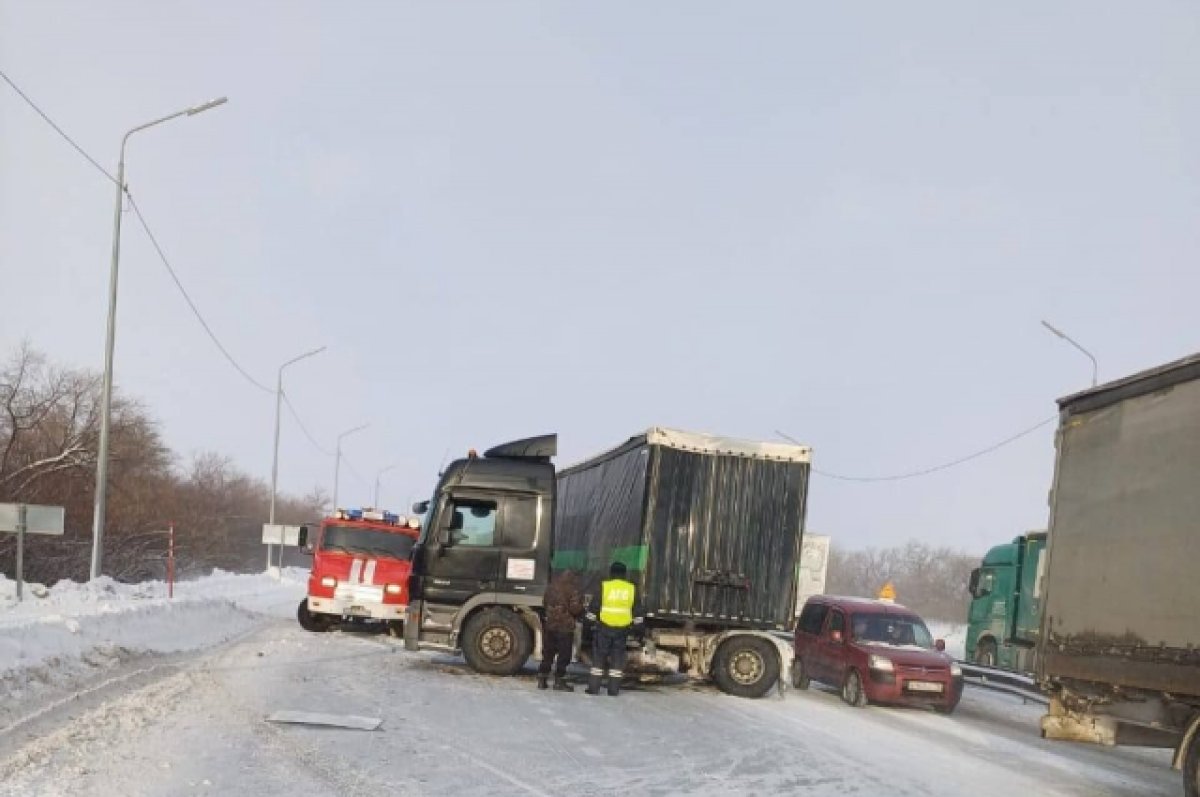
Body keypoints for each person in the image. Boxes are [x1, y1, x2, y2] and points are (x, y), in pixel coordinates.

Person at [584, 561, 644, 697]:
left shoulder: (605, 586)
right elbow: (638, 612)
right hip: (622, 630)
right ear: (624, 574)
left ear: (611, 573)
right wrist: (639, 631)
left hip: (604, 628)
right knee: (617, 659)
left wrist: (587, 628)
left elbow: (594, 608)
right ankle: (613, 690)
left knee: (599, 658)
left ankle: (593, 688)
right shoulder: (631, 589)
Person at [538, 569, 584, 691]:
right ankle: (559, 681)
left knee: (548, 653)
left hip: (550, 625)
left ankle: (542, 679)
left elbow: (544, 603)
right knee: (564, 655)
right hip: (565, 627)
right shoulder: (573, 589)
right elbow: (575, 609)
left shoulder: (551, 587)